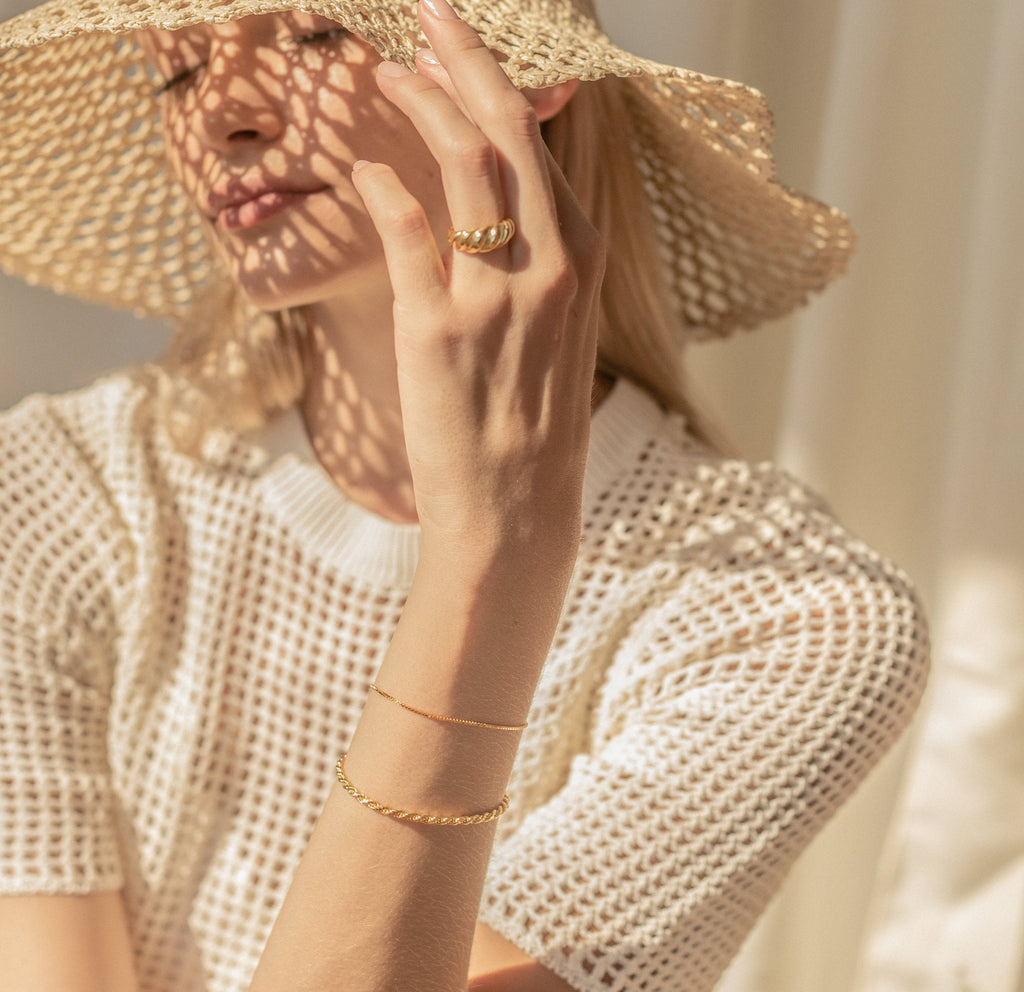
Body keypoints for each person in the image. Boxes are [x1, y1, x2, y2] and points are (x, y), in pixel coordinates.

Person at [0, 0, 929, 990]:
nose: (219, 110)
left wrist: (490, 557)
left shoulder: (787, 617)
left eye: (318, 30)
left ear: (526, 74)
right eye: (178, 69)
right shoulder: (68, 493)